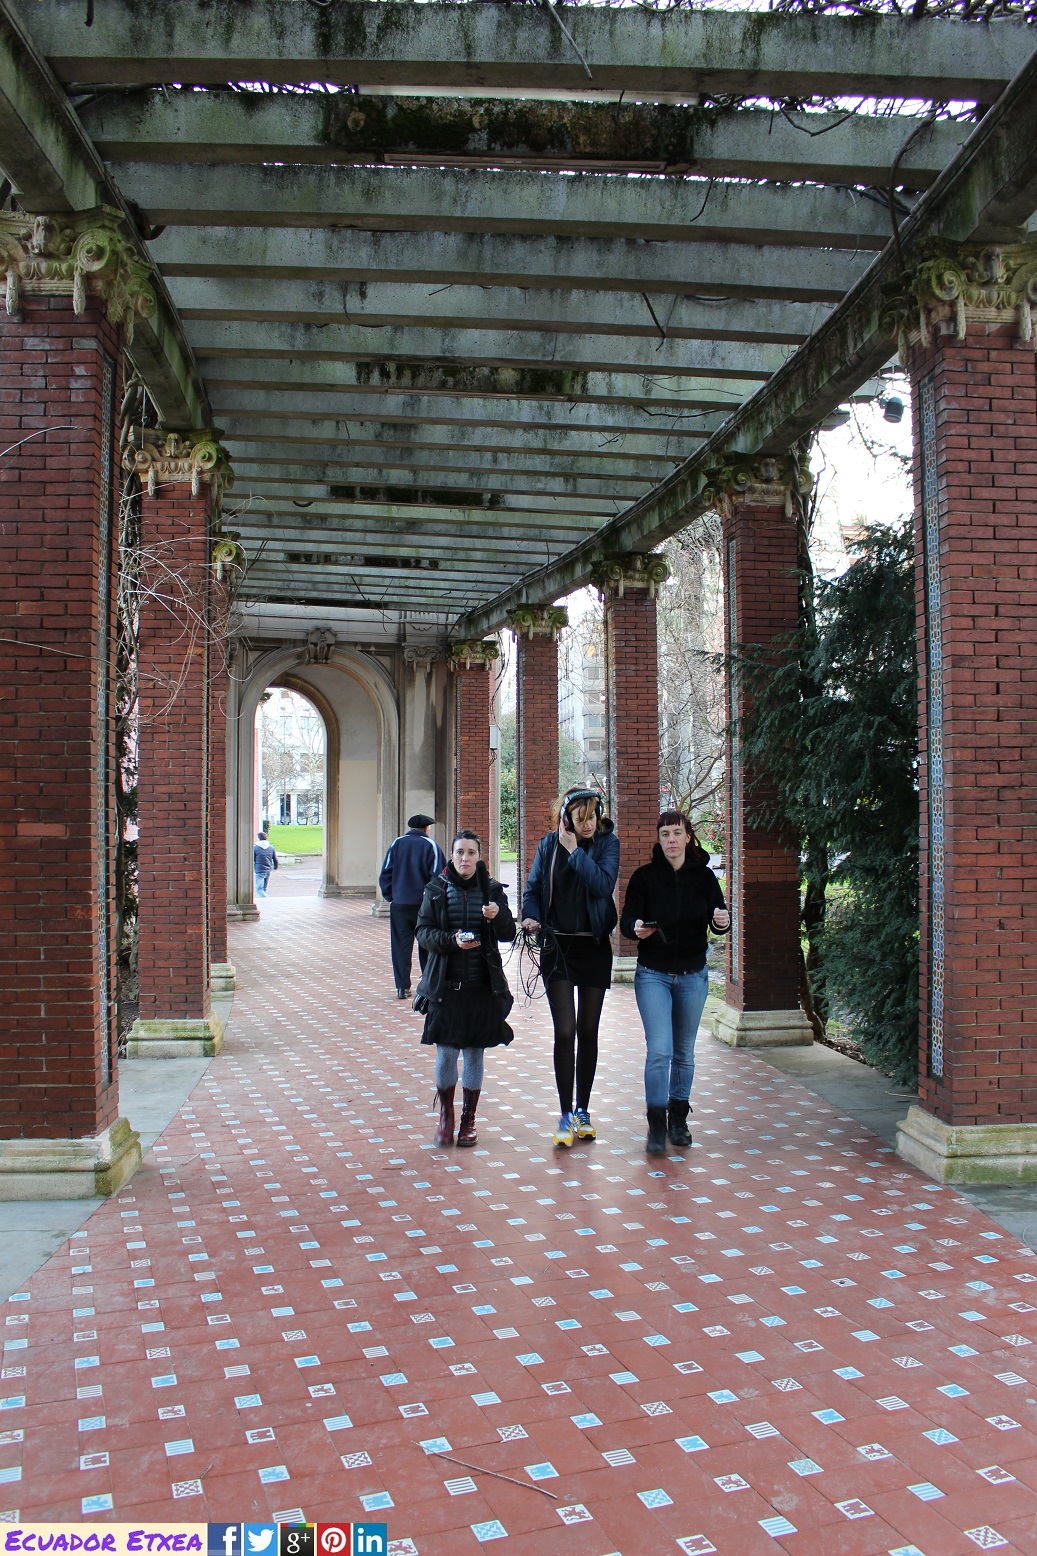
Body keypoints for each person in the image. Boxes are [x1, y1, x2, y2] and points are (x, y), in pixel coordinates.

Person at [620, 810, 730, 1156]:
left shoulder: (704, 877)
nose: (671, 839)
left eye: (677, 833)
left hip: (693, 976)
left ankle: (678, 1119)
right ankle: (656, 1123)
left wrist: (722, 920)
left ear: (688, 837)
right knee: (660, 1051)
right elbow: (627, 921)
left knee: (684, 1052)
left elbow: (719, 918)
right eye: (665, 834)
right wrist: (636, 928)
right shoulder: (644, 877)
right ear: (659, 839)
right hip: (653, 974)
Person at [521, 788, 620, 1149]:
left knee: (588, 1031)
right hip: (557, 947)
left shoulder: (607, 844)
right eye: (580, 818)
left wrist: (575, 852)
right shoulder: (548, 845)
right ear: (566, 819)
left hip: (593, 946)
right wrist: (531, 916)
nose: (588, 824)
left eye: (592, 816)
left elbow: (603, 884)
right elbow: (533, 889)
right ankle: (564, 1112)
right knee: (565, 1031)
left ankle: (582, 1110)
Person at [414, 829, 516, 1148]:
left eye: (471, 853)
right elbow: (423, 933)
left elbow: (508, 933)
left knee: (474, 1054)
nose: (465, 858)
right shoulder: (436, 889)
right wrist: (452, 941)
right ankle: (446, 1115)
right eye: (460, 852)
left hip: (482, 988)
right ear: (452, 855)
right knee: (446, 1054)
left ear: (479, 856)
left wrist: (498, 916)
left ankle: (468, 1119)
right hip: (446, 988)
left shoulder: (492, 890)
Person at [378, 813, 447, 999]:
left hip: (400, 904)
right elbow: (439, 877)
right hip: (423, 906)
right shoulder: (431, 845)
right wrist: (434, 902)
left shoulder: (397, 843)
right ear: (426, 828)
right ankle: (427, 983)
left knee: (400, 945)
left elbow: (386, 872)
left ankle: (402, 987)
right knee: (427, 944)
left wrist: (391, 896)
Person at [254, 831, 278, 898]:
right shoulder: (271, 847)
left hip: (259, 869)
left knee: (259, 889)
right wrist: (275, 867)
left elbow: (253, 858)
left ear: (258, 838)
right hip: (268, 869)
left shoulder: (256, 848)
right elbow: (275, 858)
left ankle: (266, 899)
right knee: (264, 888)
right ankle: (264, 900)